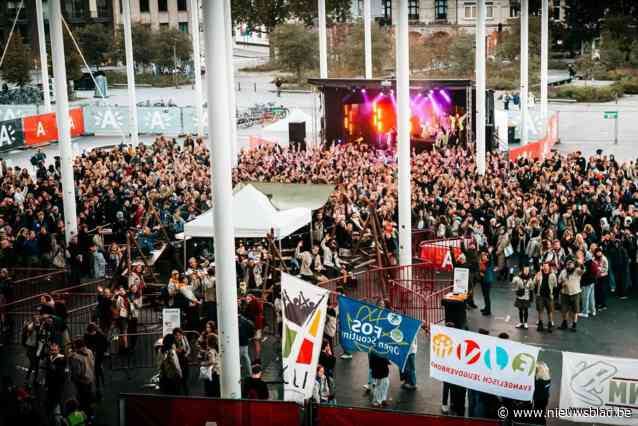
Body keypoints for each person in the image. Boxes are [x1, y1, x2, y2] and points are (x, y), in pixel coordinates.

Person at [68, 338, 95, 415]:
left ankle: (83, 415)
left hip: (82, 382)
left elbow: (77, 372)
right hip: (90, 378)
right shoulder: (89, 351)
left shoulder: (76, 358)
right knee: (90, 397)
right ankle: (91, 413)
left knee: (82, 399)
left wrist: (71, 359)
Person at [558, 257, 583, 331]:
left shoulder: (577, 271)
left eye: (571, 264)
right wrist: (562, 284)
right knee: (564, 310)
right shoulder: (563, 272)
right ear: (566, 265)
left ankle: (574, 324)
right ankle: (564, 323)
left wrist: (580, 264)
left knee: (575, 310)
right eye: (568, 264)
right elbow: (559, 281)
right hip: (565, 293)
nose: (569, 265)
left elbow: (583, 271)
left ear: (573, 264)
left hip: (575, 293)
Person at [44, 342, 66, 420]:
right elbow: (47, 372)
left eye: (55, 350)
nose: (53, 351)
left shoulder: (61, 359)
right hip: (50, 383)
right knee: (50, 399)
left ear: (58, 350)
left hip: (57, 384)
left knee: (57, 400)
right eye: (52, 350)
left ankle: (58, 416)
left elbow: (61, 374)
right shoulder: (49, 357)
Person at [84, 323, 107, 394]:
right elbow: (86, 344)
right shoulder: (87, 335)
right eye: (90, 332)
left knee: (97, 369)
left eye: (92, 332)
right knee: (93, 369)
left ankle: (98, 385)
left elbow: (104, 345)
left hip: (98, 354)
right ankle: (97, 383)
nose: (91, 334)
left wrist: (99, 351)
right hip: (91, 354)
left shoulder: (101, 336)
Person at [534, 261, 557, 332]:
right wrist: (537, 280)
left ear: (549, 267)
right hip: (540, 295)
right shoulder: (539, 274)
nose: (544, 267)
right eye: (543, 266)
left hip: (548, 296)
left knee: (549, 311)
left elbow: (555, 285)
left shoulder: (552, 275)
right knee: (540, 310)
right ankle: (540, 324)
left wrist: (552, 293)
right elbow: (533, 283)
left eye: (546, 266)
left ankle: (550, 324)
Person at [173, 328, 191, 395]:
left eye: (179, 335)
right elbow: (174, 350)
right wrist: (177, 350)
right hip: (177, 361)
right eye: (176, 335)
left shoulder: (184, 338)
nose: (178, 337)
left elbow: (188, 348)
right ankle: (178, 394)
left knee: (185, 378)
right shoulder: (174, 341)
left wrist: (186, 354)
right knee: (178, 379)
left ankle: (186, 394)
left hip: (184, 360)